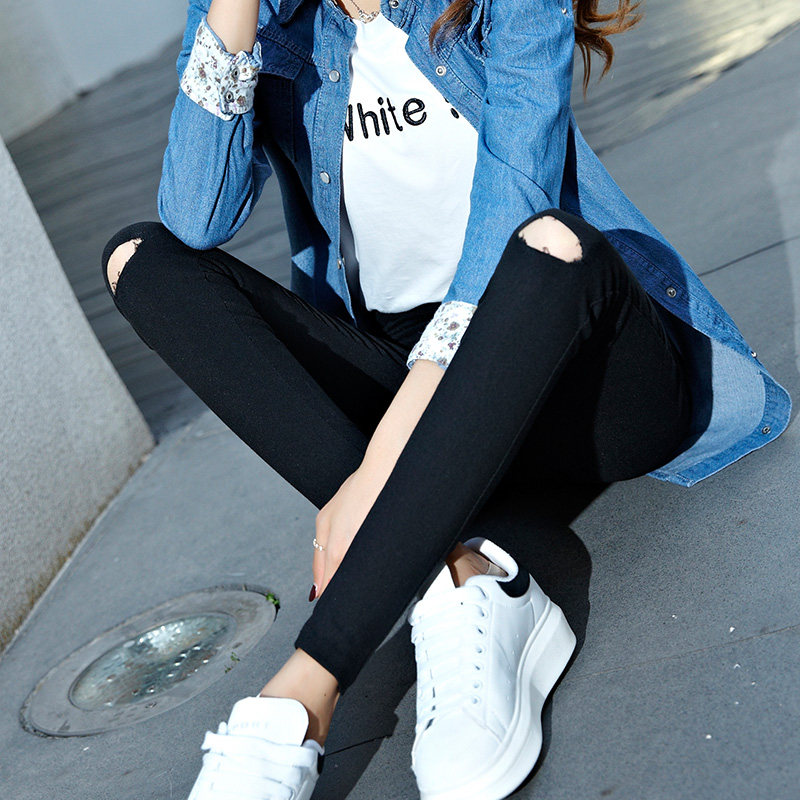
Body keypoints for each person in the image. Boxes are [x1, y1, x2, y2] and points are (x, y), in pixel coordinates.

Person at [100, 0, 791, 796]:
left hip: (579, 370)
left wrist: (376, 471)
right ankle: (459, 576)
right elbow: (194, 215)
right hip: (427, 398)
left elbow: (516, 204)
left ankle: (300, 695)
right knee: (141, 260)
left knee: (547, 245)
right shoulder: (279, 18)